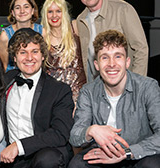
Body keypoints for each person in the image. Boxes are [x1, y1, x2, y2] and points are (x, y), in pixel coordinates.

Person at [68, 30, 160, 168]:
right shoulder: (88, 91)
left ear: (127, 62)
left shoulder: (147, 87)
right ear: (97, 65)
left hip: (137, 155)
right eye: (105, 57)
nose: (112, 64)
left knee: (152, 164)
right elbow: (75, 136)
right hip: (103, 154)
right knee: (77, 164)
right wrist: (91, 130)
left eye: (118, 56)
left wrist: (127, 152)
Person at [0, 28, 74, 168]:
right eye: (23, 52)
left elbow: (60, 133)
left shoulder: (59, 90)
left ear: (43, 55)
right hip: (12, 159)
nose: (29, 58)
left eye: (35, 51)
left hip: (45, 155)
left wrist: (19, 146)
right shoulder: (5, 81)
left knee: (47, 159)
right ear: (14, 58)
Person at [74, 0, 148, 82]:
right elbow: (86, 60)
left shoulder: (122, 10)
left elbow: (141, 49)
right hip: (96, 90)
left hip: (124, 85)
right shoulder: (80, 20)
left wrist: (135, 84)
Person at [41, 0, 86, 104]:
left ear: (64, 12)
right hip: (54, 95)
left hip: (79, 94)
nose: (54, 15)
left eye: (58, 11)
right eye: (50, 12)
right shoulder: (43, 35)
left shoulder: (75, 27)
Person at [0, 0, 44, 72]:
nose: (22, 11)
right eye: (17, 8)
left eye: (26, 7)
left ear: (32, 10)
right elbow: (5, 65)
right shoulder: (5, 36)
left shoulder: (42, 32)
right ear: (12, 13)